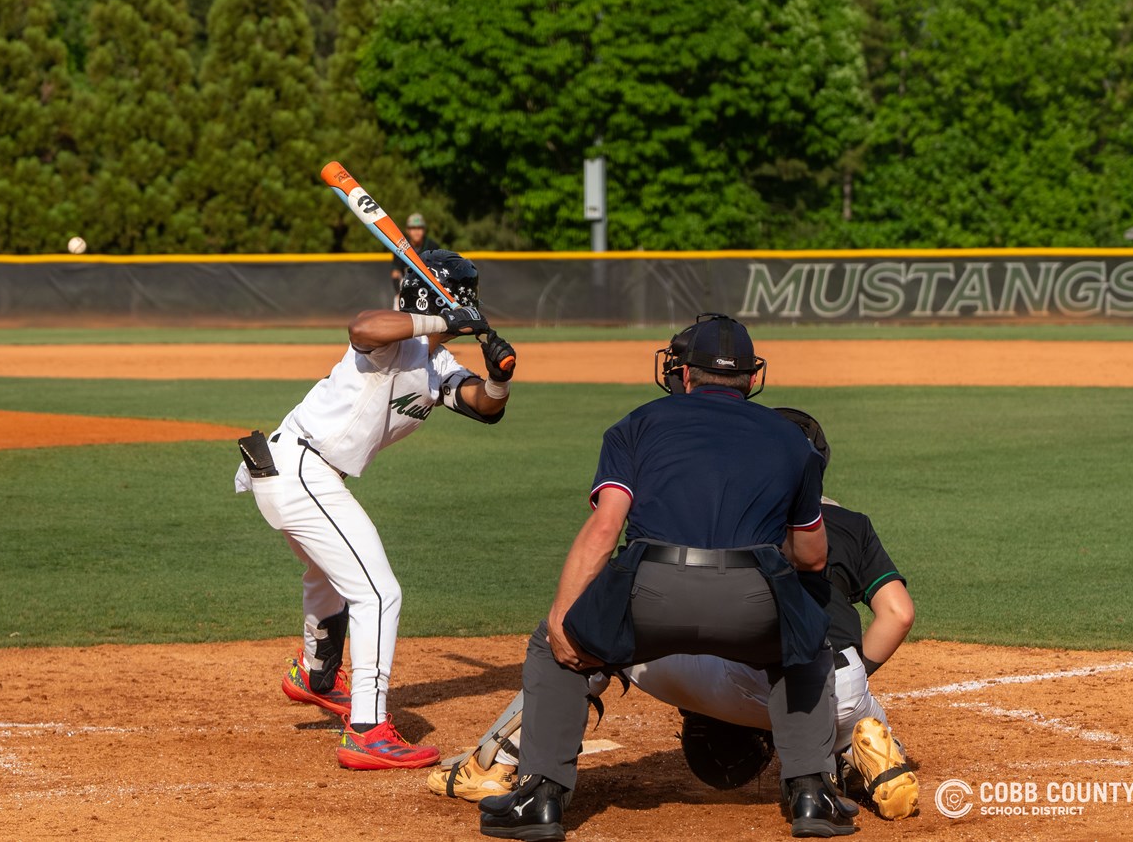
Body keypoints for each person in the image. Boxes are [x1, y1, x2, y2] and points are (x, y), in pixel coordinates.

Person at [429, 407, 920, 822]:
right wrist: (834, 680)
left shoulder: (740, 511)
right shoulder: (853, 525)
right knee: (839, 690)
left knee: (596, 636)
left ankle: (498, 761)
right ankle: (860, 758)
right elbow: (897, 614)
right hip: (839, 683)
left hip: (745, 675)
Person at [477, 313, 858, 840]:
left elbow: (605, 527)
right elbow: (813, 557)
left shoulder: (638, 424)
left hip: (648, 590)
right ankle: (811, 794)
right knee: (808, 643)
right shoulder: (791, 440)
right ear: (751, 379)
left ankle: (541, 799)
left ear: (682, 374)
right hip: (752, 600)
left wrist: (563, 617)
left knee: (553, 645)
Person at [234, 249, 516, 770]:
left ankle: (315, 674)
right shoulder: (395, 344)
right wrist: (445, 317)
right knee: (379, 593)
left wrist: (499, 379)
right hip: (301, 470)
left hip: (296, 473)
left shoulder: (436, 362)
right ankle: (367, 728)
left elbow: (481, 406)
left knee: (328, 574)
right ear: (442, 300)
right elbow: (362, 325)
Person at [391, 213, 440, 306]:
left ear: (424, 230)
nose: (416, 231)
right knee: (398, 308)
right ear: (407, 230)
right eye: (413, 228)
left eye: (419, 228)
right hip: (406, 285)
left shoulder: (432, 246)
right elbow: (395, 274)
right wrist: (398, 293)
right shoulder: (400, 247)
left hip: (428, 287)